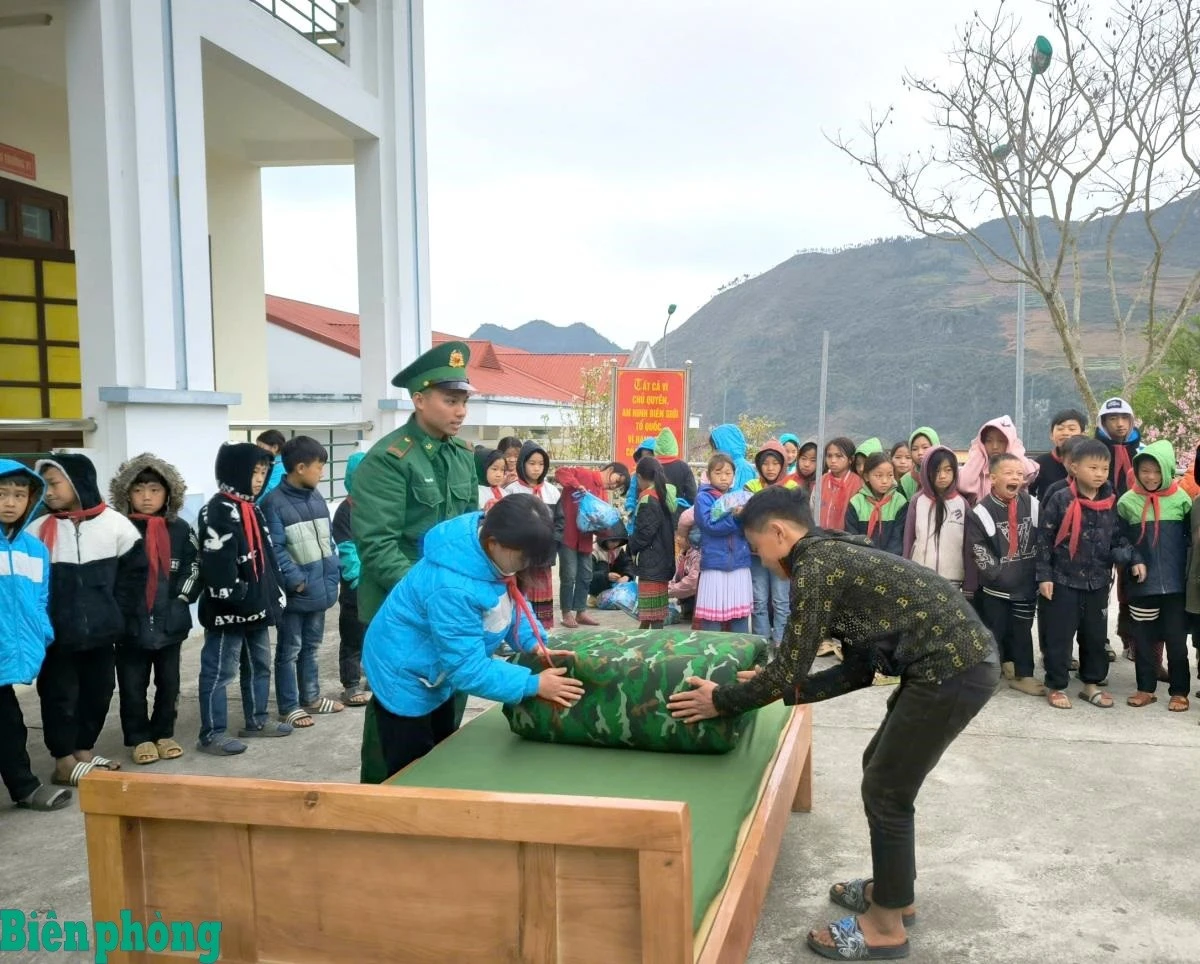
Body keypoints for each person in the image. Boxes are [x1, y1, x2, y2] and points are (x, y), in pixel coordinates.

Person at [668, 486, 997, 961]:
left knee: (887, 790)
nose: (762, 562)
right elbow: (859, 669)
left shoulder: (816, 566)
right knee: (880, 770)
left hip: (951, 670)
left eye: (759, 550)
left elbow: (789, 670)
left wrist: (722, 701)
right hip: (949, 665)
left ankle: (885, 927)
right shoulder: (834, 553)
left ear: (779, 533)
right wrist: (779, 687)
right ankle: (895, 895)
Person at [360, 494, 583, 780]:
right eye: (523, 557)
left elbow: (510, 604)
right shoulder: (453, 587)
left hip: (436, 669)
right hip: (404, 674)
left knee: (442, 746)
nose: (526, 566)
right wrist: (532, 683)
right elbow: (467, 668)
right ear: (494, 543)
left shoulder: (492, 555)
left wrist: (534, 643)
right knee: (413, 768)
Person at [29, 454, 146, 786]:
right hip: (58, 638)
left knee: (99, 692)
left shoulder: (116, 525)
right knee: (60, 696)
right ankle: (63, 760)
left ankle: (83, 751)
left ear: (79, 483)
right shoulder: (39, 530)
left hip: (102, 634)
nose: (48, 492)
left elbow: (134, 577)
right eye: (44, 485)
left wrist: (116, 615)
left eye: (54, 483)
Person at [196, 443, 291, 755]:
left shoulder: (253, 507)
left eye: (264, 472)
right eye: (254, 472)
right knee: (221, 671)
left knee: (260, 664)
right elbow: (216, 561)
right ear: (235, 471)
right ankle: (213, 732)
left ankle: (257, 719)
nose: (260, 479)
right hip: (228, 611)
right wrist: (235, 594)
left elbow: (266, 556)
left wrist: (274, 590)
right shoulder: (217, 509)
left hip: (257, 606)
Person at [1036, 439, 1143, 710]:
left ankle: (1091, 684)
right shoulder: (1060, 498)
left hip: (1097, 582)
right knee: (1060, 636)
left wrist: (1132, 559)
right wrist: (1044, 576)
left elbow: (1120, 537)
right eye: (1092, 467)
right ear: (1073, 467)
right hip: (1062, 580)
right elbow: (1044, 540)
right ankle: (1057, 685)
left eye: (1104, 468)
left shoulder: (1111, 500)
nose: (1099, 473)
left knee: (1095, 636)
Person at [108, 454, 201, 764]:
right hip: (129, 627)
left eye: (154, 490)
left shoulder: (181, 529)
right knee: (133, 687)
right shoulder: (116, 529)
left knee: (169, 683)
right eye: (138, 490)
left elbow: (194, 567)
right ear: (126, 494)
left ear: (168, 494)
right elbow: (108, 577)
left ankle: (163, 732)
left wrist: (181, 602)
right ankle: (138, 738)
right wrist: (117, 614)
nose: (146, 497)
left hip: (169, 624)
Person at [261, 436, 343, 729]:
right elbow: (275, 548)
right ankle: (289, 705)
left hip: (321, 587)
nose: (322, 472)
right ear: (299, 467)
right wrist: (296, 581)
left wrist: (334, 570)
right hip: (298, 592)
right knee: (289, 650)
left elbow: (328, 540)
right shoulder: (273, 503)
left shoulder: (317, 497)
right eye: (319, 466)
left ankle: (311, 697)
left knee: (312, 646)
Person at [0, 461, 68, 811]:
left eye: (19, 495)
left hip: (7, 655)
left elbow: (39, 599)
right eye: (2, 494)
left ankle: (25, 788)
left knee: (11, 726)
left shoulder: (34, 549)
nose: (10, 502)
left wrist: (42, 632)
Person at [1116, 440, 1192, 710]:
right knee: (1144, 640)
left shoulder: (1182, 500)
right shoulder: (1126, 502)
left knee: (1176, 640)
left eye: (1157, 471)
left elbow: (1190, 540)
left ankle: (1179, 690)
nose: (1150, 477)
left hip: (1175, 586)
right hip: (1141, 586)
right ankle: (1145, 688)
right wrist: (1134, 558)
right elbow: (1119, 539)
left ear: (1168, 470)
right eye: (1145, 470)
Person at [967, 453, 1044, 696]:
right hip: (995, 588)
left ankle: (1023, 675)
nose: (1016, 478)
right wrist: (999, 575)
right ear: (993, 478)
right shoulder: (980, 511)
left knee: (1022, 630)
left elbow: (1045, 541)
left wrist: (1039, 574)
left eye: (1020, 474)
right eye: (1009, 473)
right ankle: (989, 674)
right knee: (993, 631)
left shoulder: (1032, 504)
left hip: (1026, 586)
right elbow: (978, 548)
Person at [555, 461, 630, 628]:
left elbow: (598, 525)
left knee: (586, 574)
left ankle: (580, 611)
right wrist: (576, 485)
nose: (614, 485)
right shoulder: (583, 474)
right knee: (569, 575)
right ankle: (566, 612)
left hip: (586, 540)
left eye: (618, 486)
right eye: (617, 480)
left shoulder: (602, 495)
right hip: (568, 534)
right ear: (610, 470)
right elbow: (560, 472)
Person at [504, 440, 562, 628]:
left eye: (541, 464)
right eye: (532, 463)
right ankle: (521, 630)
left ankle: (544, 630)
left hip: (544, 553)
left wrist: (554, 540)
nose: (537, 468)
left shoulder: (552, 492)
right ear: (522, 464)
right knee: (522, 590)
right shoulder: (512, 490)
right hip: (522, 555)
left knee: (543, 590)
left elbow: (561, 520)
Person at [693, 453, 754, 632]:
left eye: (728, 473)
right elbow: (710, 525)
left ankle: (741, 654)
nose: (723, 477)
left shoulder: (740, 498)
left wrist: (746, 516)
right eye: (718, 473)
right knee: (713, 615)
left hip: (740, 563)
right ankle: (712, 655)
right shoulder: (703, 498)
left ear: (734, 476)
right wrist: (736, 519)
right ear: (709, 475)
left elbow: (749, 528)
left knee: (739, 615)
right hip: (715, 564)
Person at [746, 440, 796, 643]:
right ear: (759, 465)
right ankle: (761, 641)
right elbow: (748, 518)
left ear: (783, 464)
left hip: (781, 556)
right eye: (765, 463)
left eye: (775, 463)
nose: (770, 468)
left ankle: (781, 642)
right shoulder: (751, 486)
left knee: (781, 600)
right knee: (758, 601)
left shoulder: (792, 487)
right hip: (757, 554)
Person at [331, 451, 370, 707]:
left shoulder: (377, 507)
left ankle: (373, 677)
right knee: (352, 636)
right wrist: (358, 579)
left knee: (375, 634)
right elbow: (346, 549)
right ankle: (351, 683)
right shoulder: (345, 511)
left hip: (376, 584)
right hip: (356, 586)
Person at [903, 446, 970, 592]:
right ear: (927, 472)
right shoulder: (917, 501)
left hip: (952, 579)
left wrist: (970, 583)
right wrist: (906, 572)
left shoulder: (962, 504)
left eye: (948, 470)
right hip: (920, 575)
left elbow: (967, 545)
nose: (942, 476)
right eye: (937, 471)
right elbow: (908, 540)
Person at [628, 457, 677, 629]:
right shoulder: (663, 495)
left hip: (651, 563)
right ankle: (654, 645)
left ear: (640, 477)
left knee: (650, 614)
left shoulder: (648, 499)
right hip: (662, 562)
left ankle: (649, 648)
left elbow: (643, 534)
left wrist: (631, 547)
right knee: (656, 615)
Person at [959, 416, 1039, 504]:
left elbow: (1027, 474)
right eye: (988, 441)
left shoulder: (1018, 465)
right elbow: (963, 485)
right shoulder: (978, 468)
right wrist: (977, 452)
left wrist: (1014, 449)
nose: (995, 446)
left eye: (1001, 441)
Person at [844, 453, 908, 556]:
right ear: (866, 476)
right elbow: (852, 537)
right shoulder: (856, 503)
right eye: (878, 475)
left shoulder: (900, 502)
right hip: (862, 559)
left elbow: (898, 538)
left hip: (891, 562)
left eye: (890, 475)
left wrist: (884, 560)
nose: (885, 481)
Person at [1030, 409, 1086, 502]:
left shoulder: (1089, 462)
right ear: (1051, 435)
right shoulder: (1041, 462)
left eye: (1071, 429)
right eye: (1060, 429)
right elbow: (1028, 492)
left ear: (1083, 434)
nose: (1065, 433)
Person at [816, 437, 861, 531]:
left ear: (851, 459)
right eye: (829, 456)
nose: (833, 460)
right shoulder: (822, 481)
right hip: (821, 535)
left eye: (839, 456)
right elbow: (813, 508)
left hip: (846, 538)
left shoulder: (858, 484)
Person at [668, 508, 702, 625]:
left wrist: (672, 590)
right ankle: (686, 611)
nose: (677, 539)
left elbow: (693, 581)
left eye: (681, 536)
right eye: (677, 535)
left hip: (695, 596)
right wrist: (669, 586)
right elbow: (676, 575)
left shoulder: (697, 554)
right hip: (685, 596)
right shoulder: (682, 554)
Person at [654, 427, 697, 513]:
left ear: (657, 446)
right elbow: (692, 495)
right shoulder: (683, 467)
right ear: (674, 446)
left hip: (655, 512)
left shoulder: (651, 466)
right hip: (679, 513)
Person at [709, 423, 757, 491]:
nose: (713, 453)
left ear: (726, 445)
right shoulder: (733, 464)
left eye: (715, 448)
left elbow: (741, 498)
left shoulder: (744, 468)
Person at [588, 524, 631, 599]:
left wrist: (627, 576)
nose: (615, 544)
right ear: (604, 539)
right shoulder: (594, 550)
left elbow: (628, 564)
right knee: (602, 565)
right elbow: (587, 574)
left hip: (615, 584)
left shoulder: (618, 549)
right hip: (596, 584)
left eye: (618, 541)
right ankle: (595, 596)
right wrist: (606, 576)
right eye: (612, 541)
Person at [899, 427, 941, 501]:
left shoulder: (945, 475)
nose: (920, 453)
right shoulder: (905, 481)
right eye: (914, 449)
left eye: (925, 447)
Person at [623, 437, 657, 525]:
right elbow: (631, 494)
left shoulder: (661, 475)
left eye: (649, 456)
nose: (646, 460)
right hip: (640, 514)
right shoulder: (636, 476)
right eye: (643, 457)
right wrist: (630, 509)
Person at [255, 429, 287, 500]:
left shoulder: (280, 466)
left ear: (275, 447)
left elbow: (269, 490)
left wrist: (253, 502)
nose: (258, 450)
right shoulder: (273, 463)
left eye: (261, 447)